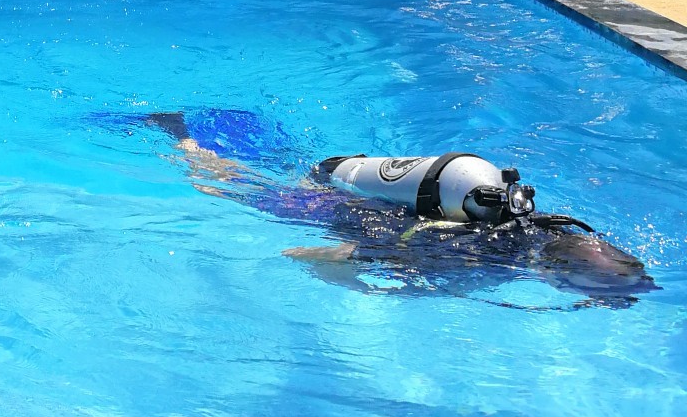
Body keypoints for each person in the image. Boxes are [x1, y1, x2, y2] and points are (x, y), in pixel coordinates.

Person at [133, 111, 653, 304]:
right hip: (353, 214)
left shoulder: (541, 219)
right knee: (229, 186)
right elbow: (319, 255)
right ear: (557, 278)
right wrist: (354, 282)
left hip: (390, 198)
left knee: (283, 164)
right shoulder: (484, 263)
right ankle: (180, 138)